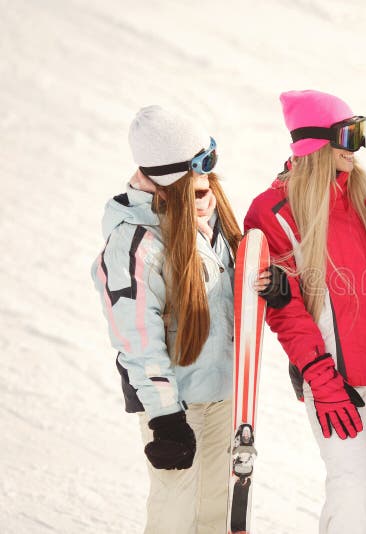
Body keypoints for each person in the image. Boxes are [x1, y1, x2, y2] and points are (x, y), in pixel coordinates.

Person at [243, 89, 366, 533]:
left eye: (360, 132)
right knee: (351, 483)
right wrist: (322, 380)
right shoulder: (274, 211)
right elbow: (285, 312)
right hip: (334, 379)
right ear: (315, 144)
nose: (358, 147)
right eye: (348, 135)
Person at [91, 106, 288, 534]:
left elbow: (233, 305)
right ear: (169, 186)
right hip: (177, 404)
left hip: (224, 396)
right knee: (175, 511)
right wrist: (165, 418)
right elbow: (137, 338)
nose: (209, 193)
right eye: (197, 188)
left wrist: (273, 289)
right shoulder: (135, 244)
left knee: (217, 509)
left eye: (211, 179)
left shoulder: (212, 222)